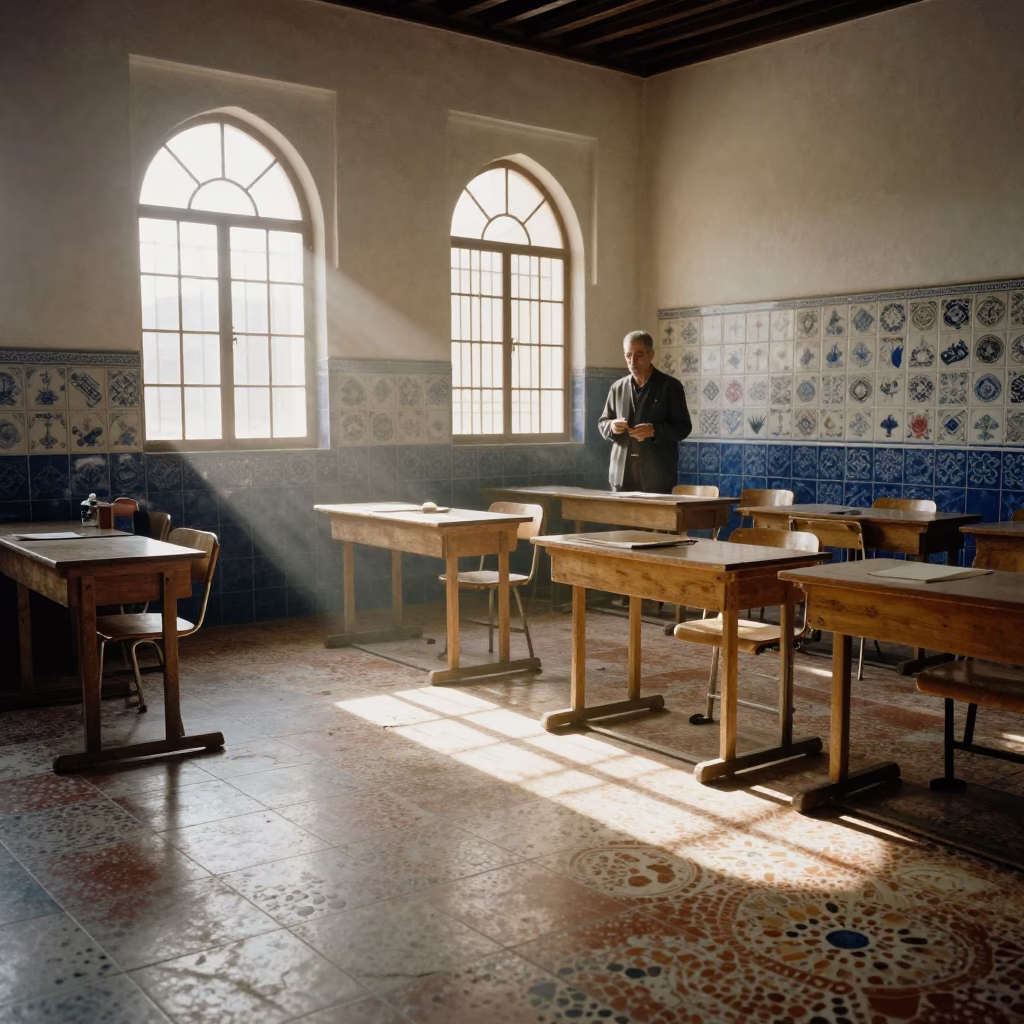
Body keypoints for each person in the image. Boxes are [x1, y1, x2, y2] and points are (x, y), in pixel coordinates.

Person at [598, 330, 692, 493]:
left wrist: (654, 431)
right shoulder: (617, 388)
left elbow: (683, 427)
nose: (633, 361)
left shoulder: (670, 386)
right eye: (628, 355)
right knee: (621, 518)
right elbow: (603, 423)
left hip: (656, 475)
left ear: (651, 355)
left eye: (639, 355)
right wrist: (612, 426)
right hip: (621, 473)